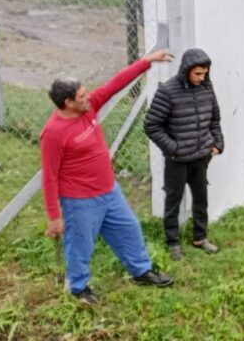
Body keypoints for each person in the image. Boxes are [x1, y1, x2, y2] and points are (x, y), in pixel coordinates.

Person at [41, 50, 175, 305]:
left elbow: (115, 84)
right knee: (80, 246)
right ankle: (78, 289)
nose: (87, 97)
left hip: (109, 191)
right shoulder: (54, 133)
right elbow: (49, 177)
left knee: (130, 229)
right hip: (80, 200)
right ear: (68, 102)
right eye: (81, 96)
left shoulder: (89, 108)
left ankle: (141, 271)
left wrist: (147, 61)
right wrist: (54, 217)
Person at [143, 48, 224, 261]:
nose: (201, 77)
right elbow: (152, 125)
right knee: (173, 201)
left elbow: (215, 119)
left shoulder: (207, 88)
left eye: (204, 73)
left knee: (201, 199)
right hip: (177, 161)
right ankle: (173, 242)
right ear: (186, 70)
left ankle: (200, 237)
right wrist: (173, 148)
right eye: (197, 74)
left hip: (201, 157)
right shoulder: (168, 91)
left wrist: (218, 143)